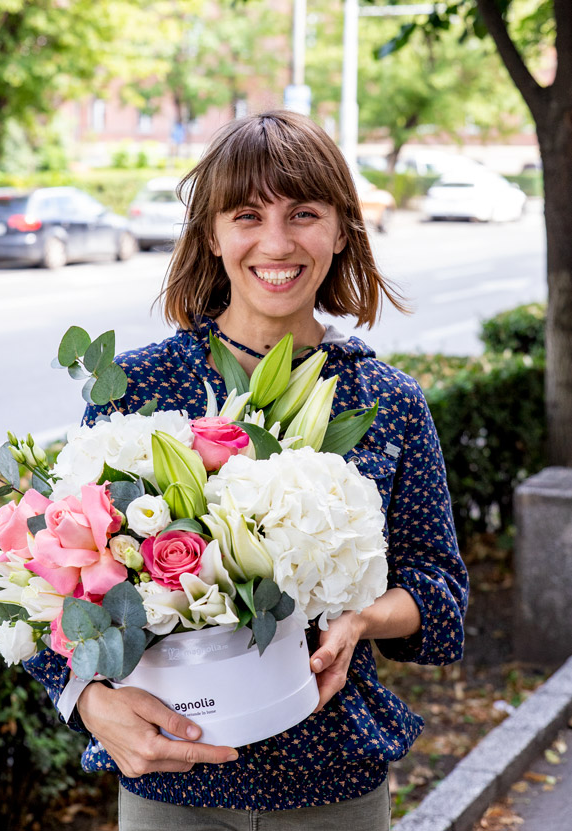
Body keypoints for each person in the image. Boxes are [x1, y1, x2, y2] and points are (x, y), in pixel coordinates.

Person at [25, 110, 468, 830]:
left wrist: (360, 615)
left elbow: (439, 596)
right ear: (211, 233)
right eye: (246, 214)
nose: (276, 241)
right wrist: (89, 702)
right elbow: (54, 580)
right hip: (171, 783)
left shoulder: (385, 401)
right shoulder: (137, 390)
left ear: (341, 229)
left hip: (332, 787)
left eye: (303, 214)